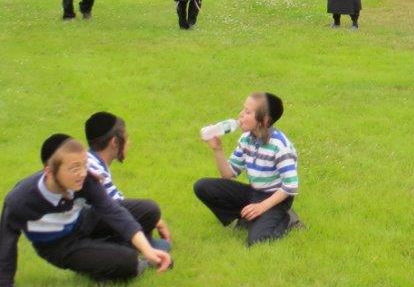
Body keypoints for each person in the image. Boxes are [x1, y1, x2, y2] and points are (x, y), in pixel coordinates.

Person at [0, 135, 171, 286]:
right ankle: (108, 257)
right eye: (75, 168)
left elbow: (113, 211)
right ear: (50, 172)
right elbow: (5, 244)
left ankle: (103, 255)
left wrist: (147, 250)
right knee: (129, 262)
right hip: (59, 245)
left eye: (84, 165)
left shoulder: (86, 178)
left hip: (82, 221)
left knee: (149, 210)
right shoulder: (20, 200)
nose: (82, 173)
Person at [194, 92, 300, 245]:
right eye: (243, 109)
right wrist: (217, 149)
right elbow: (229, 174)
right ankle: (246, 218)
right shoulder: (246, 139)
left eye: (247, 112)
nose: (240, 115)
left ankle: (287, 219)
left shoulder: (280, 146)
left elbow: (290, 186)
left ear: (263, 121)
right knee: (203, 186)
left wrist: (261, 207)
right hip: (254, 192)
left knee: (256, 241)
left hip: (275, 199)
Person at [83, 113, 171, 249]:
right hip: (86, 224)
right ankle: (118, 247)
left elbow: (113, 197)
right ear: (115, 142)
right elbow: (112, 206)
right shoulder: (95, 170)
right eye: (126, 137)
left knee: (143, 212)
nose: (129, 142)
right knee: (150, 209)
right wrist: (155, 219)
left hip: (85, 221)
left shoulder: (90, 160)